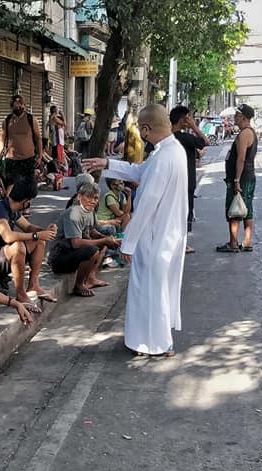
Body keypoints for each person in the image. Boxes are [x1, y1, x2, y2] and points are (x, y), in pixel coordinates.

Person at [81, 104, 189, 357]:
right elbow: (139, 171)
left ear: (146, 129)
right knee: (155, 289)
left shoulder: (164, 157)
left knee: (150, 291)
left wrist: (128, 243)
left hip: (155, 236)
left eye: (141, 129)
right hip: (166, 234)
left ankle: (158, 343)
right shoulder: (171, 151)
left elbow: (147, 205)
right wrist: (108, 163)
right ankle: (148, 341)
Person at [0, 178, 57, 309]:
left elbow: (28, 227)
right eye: (30, 200)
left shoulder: (12, 210)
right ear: (25, 201)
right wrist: (36, 235)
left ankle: (34, 285)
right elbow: (8, 236)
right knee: (18, 247)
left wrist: (44, 231)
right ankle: (21, 294)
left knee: (39, 242)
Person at [48, 181, 120, 298]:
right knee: (92, 250)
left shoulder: (90, 211)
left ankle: (91, 278)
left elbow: (91, 231)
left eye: (95, 198)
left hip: (72, 252)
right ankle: (78, 286)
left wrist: (106, 239)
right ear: (79, 197)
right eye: (89, 197)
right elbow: (76, 243)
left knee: (103, 244)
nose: (92, 201)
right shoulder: (73, 213)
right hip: (60, 257)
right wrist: (103, 240)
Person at [216, 104, 259, 253]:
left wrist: (236, 180)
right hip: (248, 176)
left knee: (234, 209)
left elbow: (241, 159)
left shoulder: (245, 134)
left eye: (237, 116)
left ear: (244, 118)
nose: (235, 118)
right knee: (247, 208)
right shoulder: (249, 132)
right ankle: (246, 242)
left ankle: (233, 242)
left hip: (242, 178)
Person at [169, 106, 207, 253]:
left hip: (171, 181)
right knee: (185, 212)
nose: (190, 120)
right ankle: (182, 244)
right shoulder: (185, 137)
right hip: (186, 181)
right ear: (182, 120)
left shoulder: (167, 137)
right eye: (188, 118)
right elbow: (205, 141)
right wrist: (194, 127)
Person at [0, 95, 43, 188]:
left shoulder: (31, 119)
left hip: (28, 159)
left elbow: (38, 138)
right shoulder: (7, 121)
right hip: (12, 160)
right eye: (16, 105)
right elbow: (2, 140)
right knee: (13, 189)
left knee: (30, 189)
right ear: (12, 106)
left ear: (23, 105)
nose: (19, 107)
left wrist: (40, 155)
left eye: (21, 105)